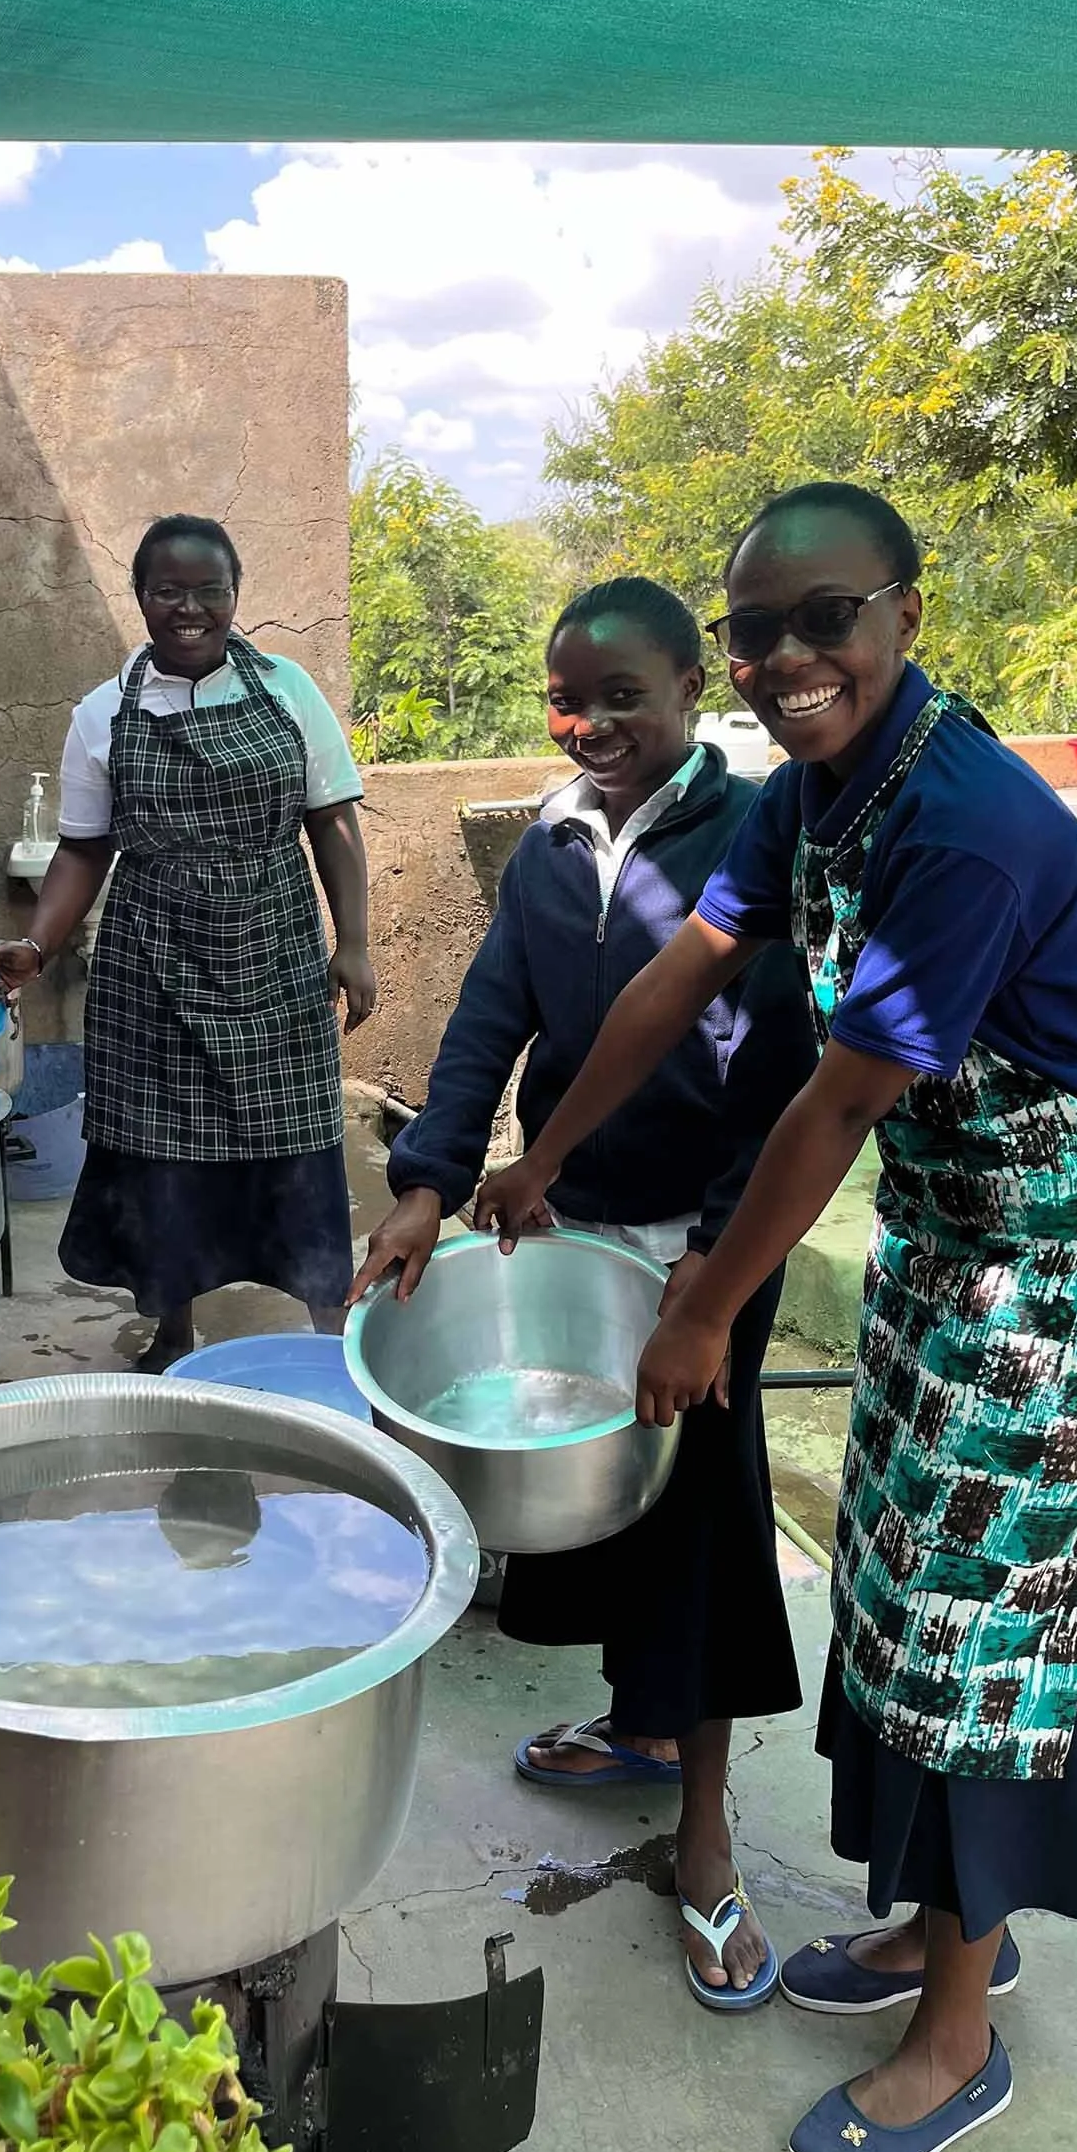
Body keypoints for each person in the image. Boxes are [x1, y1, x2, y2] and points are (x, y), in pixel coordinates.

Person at [477, 484, 1077, 2152]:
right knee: (890, 1570)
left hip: (1071, 1253)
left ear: (904, 613)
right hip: (959, 1227)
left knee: (980, 1632)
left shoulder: (963, 825)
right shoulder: (817, 789)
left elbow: (837, 1100)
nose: (787, 658)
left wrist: (704, 1306)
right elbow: (685, 972)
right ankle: (941, 1925)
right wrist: (551, 1155)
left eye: (826, 618)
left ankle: (958, 2034)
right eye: (757, 631)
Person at [352, 578, 817, 2010]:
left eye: (624, 695)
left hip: (700, 1248)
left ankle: (705, 1836)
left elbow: (786, 1075)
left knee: (699, 1531)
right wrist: (431, 1173)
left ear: (691, 690)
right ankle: (641, 1729)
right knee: (593, 1502)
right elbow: (494, 1014)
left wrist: (720, 1257)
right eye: (570, 698)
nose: (594, 723)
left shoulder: (749, 837)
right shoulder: (552, 847)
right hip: (579, 1223)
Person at [0, 515, 375, 1364]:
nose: (190, 608)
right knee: (163, 1157)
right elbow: (85, 848)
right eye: (169, 590)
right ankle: (173, 1328)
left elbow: (332, 818)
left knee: (300, 1141)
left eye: (211, 590)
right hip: (151, 957)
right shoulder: (101, 713)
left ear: (236, 596)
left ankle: (328, 1326)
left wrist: (353, 942)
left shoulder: (287, 690)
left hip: (273, 947)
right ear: (141, 598)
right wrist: (38, 944)